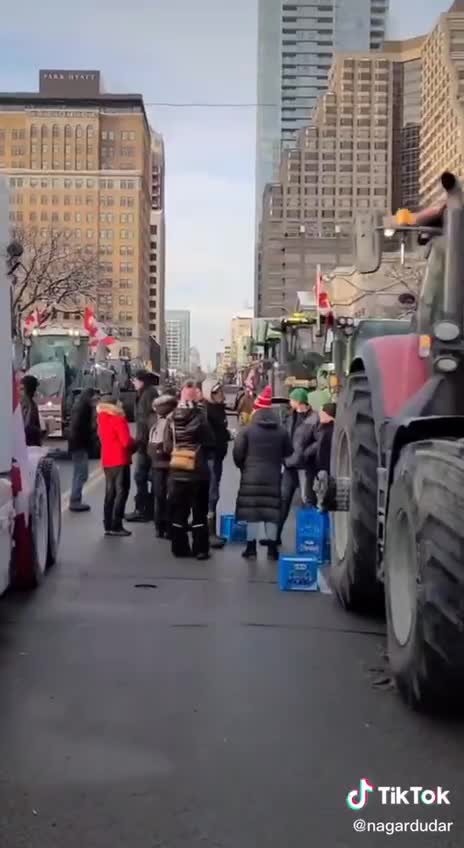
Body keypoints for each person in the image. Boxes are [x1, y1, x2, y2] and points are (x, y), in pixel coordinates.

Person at [233, 386, 292, 562]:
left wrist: (244, 467)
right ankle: (272, 550)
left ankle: (251, 549)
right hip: (273, 476)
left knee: (252, 513)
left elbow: (237, 453)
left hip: (251, 476)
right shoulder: (281, 431)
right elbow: (288, 452)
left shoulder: (247, 430)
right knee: (271, 513)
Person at [163, 379, 215, 560]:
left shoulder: (171, 418)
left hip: (177, 470)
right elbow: (210, 442)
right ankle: (200, 549)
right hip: (198, 472)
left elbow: (167, 446)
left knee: (179, 511)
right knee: (199, 512)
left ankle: (179, 547)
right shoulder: (200, 417)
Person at [277, 388, 319, 544]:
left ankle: (310, 540)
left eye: (292, 399)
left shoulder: (314, 419)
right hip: (289, 464)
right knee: (283, 500)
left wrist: (307, 453)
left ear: (299, 401)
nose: (289, 402)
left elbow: (319, 441)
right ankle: (275, 537)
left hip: (305, 466)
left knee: (307, 500)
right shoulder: (288, 416)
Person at [97, 396, 136, 537]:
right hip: (120, 460)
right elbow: (126, 442)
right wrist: (136, 443)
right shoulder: (118, 420)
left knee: (110, 493)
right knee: (122, 492)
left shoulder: (101, 419)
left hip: (107, 460)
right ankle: (116, 525)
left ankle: (107, 524)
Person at [125, 370, 159, 523]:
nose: (134, 382)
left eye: (135, 380)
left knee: (141, 476)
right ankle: (148, 510)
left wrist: (141, 441)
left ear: (142, 381)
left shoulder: (148, 395)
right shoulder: (145, 394)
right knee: (146, 476)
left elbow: (147, 421)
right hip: (146, 442)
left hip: (146, 443)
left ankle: (143, 510)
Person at [202, 379, 231, 548]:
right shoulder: (207, 411)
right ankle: (209, 532)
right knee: (212, 494)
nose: (221, 394)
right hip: (210, 457)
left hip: (217, 456)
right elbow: (207, 436)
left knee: (213, 492)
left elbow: (220, 431)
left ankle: (206, 528)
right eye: (217, 392)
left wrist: (226, 435)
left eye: (221, 391)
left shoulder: (219, 409)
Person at [147, 392, 178, 538]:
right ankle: (169, 527)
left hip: (157, 462)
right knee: (171, 496)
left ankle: (159, 526)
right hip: (172, 461)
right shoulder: (175, 418)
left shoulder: (154, 418)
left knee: (159, 495)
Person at [68, 387, 96, 513]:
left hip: (76, 444)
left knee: (78, 473)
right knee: (81, 473)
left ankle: (75, 499)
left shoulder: (79, 406)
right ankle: (75, 500)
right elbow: (81, 428)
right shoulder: (85, 408)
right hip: (79, 445)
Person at [305, 402, 337, 479]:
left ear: (326, 413)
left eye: (321, 412)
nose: (319, 415)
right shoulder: (334, 429)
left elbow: (322, 453)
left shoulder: (327, 431)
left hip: (325, 472)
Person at [20, 375, 43, 447]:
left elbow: (27, 426)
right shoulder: (30, 404)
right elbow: (27, 426)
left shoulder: (28, 404)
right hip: (30, 444)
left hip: (29, 444)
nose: (20, 391)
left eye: (22, 389)